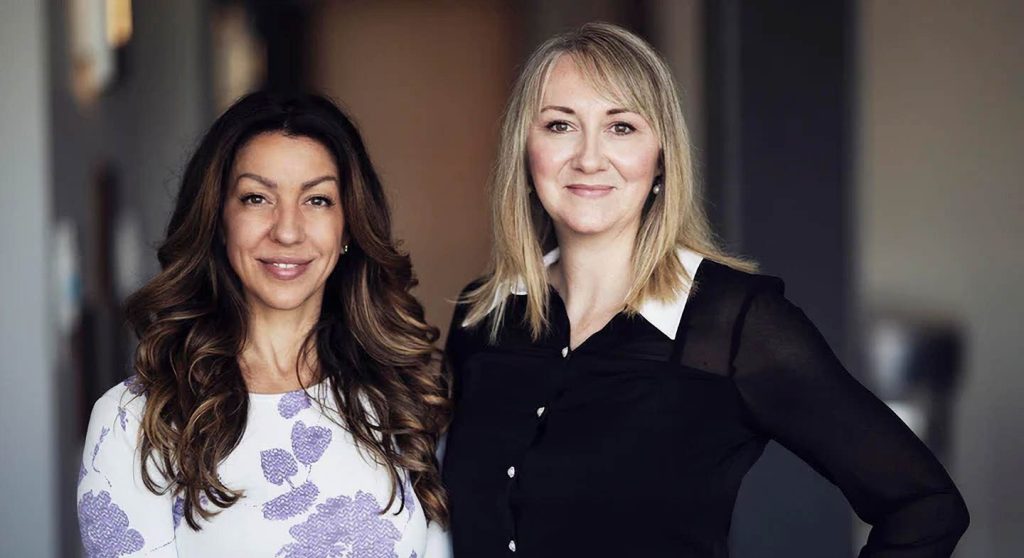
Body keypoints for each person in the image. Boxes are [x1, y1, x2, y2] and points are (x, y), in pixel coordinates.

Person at [442, 23, 968, 557]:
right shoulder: (482, 315)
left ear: (662, 157)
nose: (589, 157)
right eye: (560, 125)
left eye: (621, 127)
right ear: (525, 152)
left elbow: (924, 505)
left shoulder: (734, 324)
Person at [77, 92, 450, 557]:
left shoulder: (401, 398)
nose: (287, 230)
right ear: (218, 219)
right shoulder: (137, 422)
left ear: (348, 227)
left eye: (317, 200)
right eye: (257, 198)